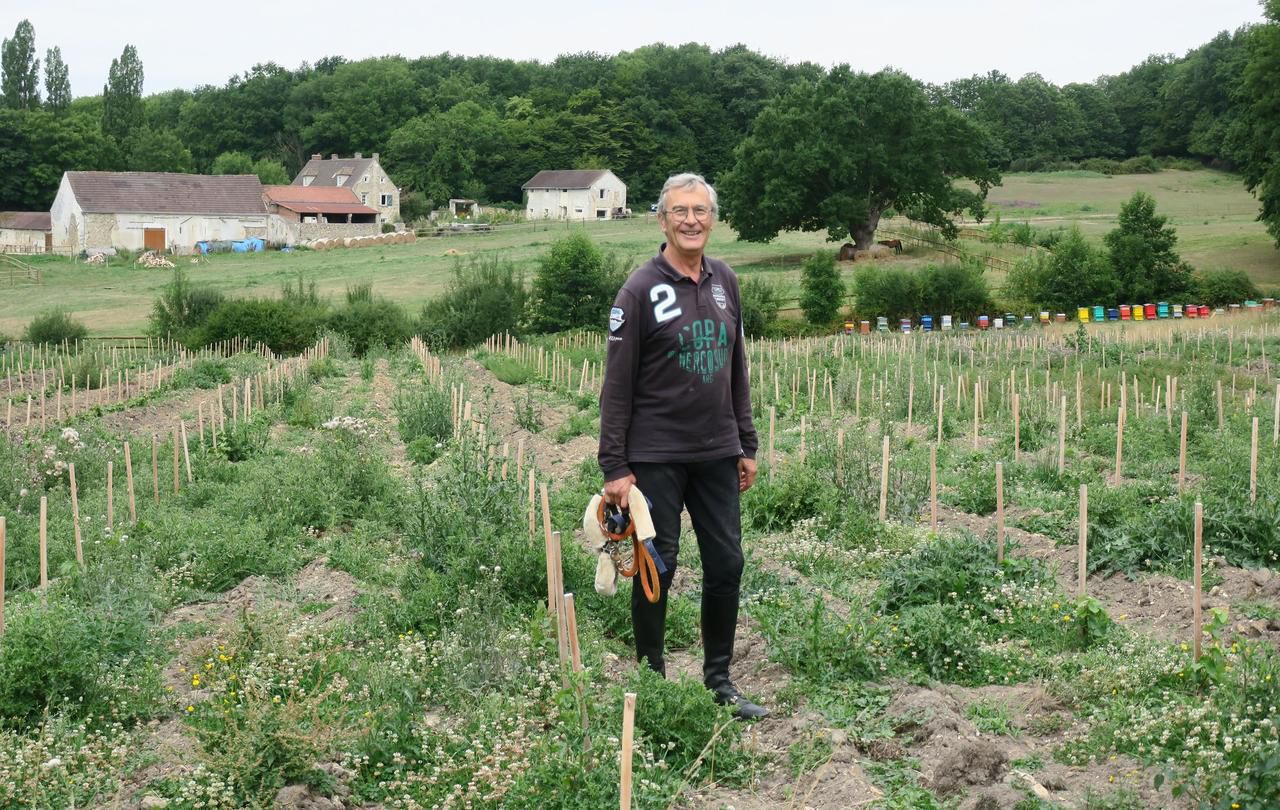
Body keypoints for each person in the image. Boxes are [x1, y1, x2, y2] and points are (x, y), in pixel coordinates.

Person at [598, 172, 767, 719]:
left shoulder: (726, 281)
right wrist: (615, 465)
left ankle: (719, 680)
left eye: (701, 211)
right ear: (662, 219)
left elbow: (735, 366)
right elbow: (616, 384)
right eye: (680, 212)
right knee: (657, 565)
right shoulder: (639, 289)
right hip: (656, 456)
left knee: (728, 564)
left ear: (712, 219)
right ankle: (652, 682)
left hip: (717, 450)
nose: (691, 220)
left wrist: (746, 441)